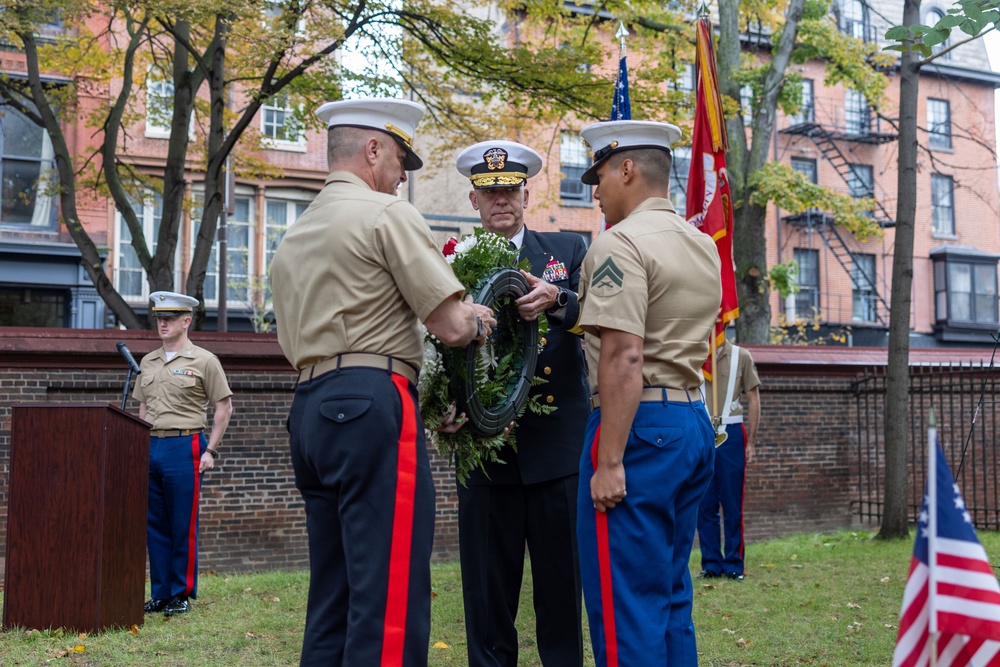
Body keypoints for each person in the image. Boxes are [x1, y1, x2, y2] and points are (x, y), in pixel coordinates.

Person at [268, 97, 497, 667]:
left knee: (333, 592)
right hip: (372, 404)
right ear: (373, 150)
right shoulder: (385, 215)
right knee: (389, 592)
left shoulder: (293, 234)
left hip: (309, 408)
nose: (400, 180)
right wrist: (480, 320)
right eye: (399, 161)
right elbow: (448, 323)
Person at [574, 120, 722, 666]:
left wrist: (609, 460)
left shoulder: (620, 243)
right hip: (690, 423)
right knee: (669, 597)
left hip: (634, 429)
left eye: (601, 175)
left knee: (624, 605)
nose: (595, 190)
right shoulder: (702, 244)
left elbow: (624, 355)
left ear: (628, 170)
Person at [453, 140, 590, 667]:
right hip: (486, 454)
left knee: (560, 592)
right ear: (473, 200)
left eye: (509, 190)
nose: (500, 201)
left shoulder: (567, 250)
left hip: (556, 449)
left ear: (526, 193)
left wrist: (559, 301)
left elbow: (600, 318)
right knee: (488, 597)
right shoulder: (451, 261)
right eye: (490, 193)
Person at [135, 290, 233, 617]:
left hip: (185, 445)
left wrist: (212, 450)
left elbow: (223, 407)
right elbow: (143, 407)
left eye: (170, 318)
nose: (162, 323)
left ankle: (181, 592)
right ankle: (161, 592)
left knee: (182, 522)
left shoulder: (204, 361)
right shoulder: (147, 362)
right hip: (152, 446)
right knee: (155, 523)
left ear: (186, 321)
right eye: (159, 318)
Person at [697, 338, 761, 581]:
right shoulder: (694, 352)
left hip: (731, 433)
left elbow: (754, 398)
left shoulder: (741, 356)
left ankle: (734, 563)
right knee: (704, 503)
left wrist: (751, 442)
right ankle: (711, 564)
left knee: (732, 503)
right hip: (702, 431)